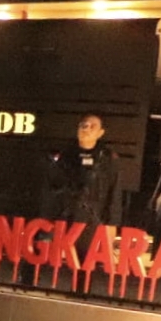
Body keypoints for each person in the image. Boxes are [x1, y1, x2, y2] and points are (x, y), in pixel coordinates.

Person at [43, 113, 118, 278]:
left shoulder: (107, 158)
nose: (86, 129)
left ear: (100, 133)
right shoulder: (65, 155)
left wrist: (112, 223)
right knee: (49, 261)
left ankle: (81, 290)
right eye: (83, 125)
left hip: (91, 218)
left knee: (85, 264)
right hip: (65, 214)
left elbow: (114, 191)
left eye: (92, 126)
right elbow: (52, 187)